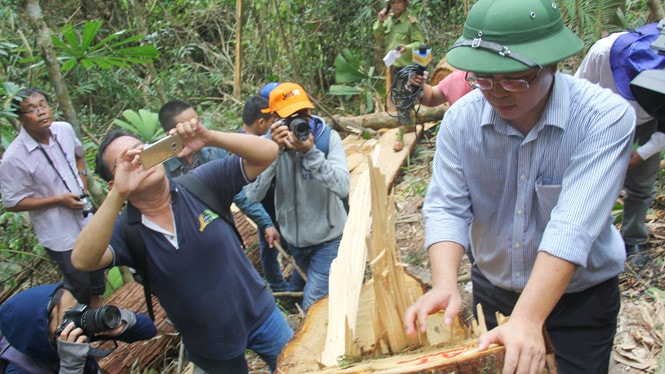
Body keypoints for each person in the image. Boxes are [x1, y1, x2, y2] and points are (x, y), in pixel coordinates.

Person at [403, 0, 635, 373]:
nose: (496, 92)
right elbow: (447, 206)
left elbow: (572, 225)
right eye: (483, 78)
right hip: (494, 292)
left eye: (514, 78)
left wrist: (528, 317)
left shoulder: (603, 118)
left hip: (580, 299)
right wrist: (445, 283)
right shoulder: (461, 121)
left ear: (553, 65)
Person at [71, 122, 293, 373]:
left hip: (262, 315)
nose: (140, 161)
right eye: (126, 161)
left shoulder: (201, 184)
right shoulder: (127, 231)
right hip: (209, 344)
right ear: (113, 182)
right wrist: (118, 195)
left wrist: (210, 137)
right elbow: (82, 260)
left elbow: (267, 152)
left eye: (141, 151)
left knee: (300, 367)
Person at [158, 98, 287, 292]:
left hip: (224, 236)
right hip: (191, 249)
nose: (197, 127)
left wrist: (266, 223)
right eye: (190, 125)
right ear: (173, 132)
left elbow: (239, 194)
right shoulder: (159, 170)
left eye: (197, 121)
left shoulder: (213, 151)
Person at [245, 82, 350, 311]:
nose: (298, 121)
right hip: (294, 241)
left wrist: (311, 154)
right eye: (289, 116)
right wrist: (273, 152)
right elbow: (252, 194)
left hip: (328, 239)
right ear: (274, 118)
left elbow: (343, 187)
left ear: (310, 111)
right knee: (304, 293)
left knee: (313, 307)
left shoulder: (326, 139)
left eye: (302, 113)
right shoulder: (268, 144)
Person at [0, 88, 105, 307]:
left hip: (85, 217)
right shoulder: (14, 158)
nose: (40, 112)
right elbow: (12, 202)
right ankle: (79, 326)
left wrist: (82, 181)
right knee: (78, 281)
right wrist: (58, 200)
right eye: (31, 109)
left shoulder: (63, 130)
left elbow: (79, 153)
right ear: (20, 118)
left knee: (97, 268)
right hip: (58, 230)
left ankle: (101, 314)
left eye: (43, 105)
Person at [575, 22, 665, 267]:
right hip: (601, 117)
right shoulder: (604, 52)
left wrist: (643, 153)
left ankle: (633, 239)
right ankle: (591, 240)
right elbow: (578, 93)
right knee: (595, 182)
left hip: (652, 120)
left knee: (643, 184)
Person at [0, 282, 156, 373]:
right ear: (43, 334)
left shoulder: (75, 332)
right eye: (68, 316)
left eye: (76, 307)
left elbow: (149, 330)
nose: (77, 318)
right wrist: (71, 366)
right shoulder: (18, 370)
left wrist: (121, 322)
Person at [240, 95, 289, 292]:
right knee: (269, 248)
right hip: (265, 207)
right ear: (261, 123)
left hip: (271, 205)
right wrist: (266, 222)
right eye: (272, 122)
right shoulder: (246, 147)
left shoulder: (242, 140)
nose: (275, 125)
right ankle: (278, 287)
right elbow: (244, 194)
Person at [373, 0, 425, 151]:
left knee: (403, 99)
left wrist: (406, 48)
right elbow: (378, 35)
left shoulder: (411, 22)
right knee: (400, 98)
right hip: (394, 66)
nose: (395, 5)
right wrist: (380, 20)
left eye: (399, 2)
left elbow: (420, 44)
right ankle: (407, 124)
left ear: (405, 4)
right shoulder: (389, 21)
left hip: (408, 67)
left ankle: (400, 136)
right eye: (393, 3)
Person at [157, 100, 229, 177]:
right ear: (172, 134)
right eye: (190, 126)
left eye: (198, 122)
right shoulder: (160, 168)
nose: (199, 128)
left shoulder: (215, 149)